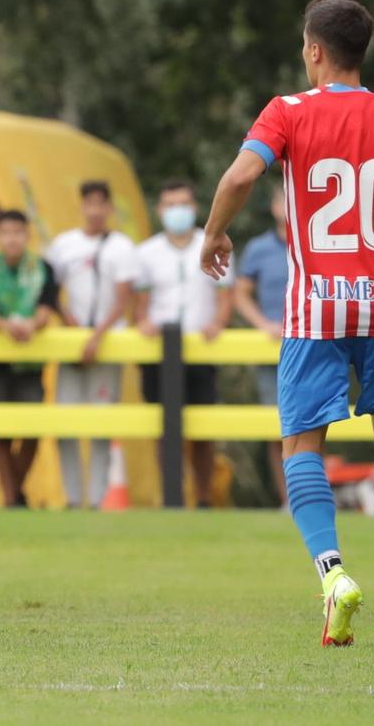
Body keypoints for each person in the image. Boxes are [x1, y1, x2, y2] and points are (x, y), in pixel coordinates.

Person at [201, 0, 374, 646]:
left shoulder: (287, 110)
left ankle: (334, 577)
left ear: (315, 50)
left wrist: (213, 236)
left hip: (317, 303)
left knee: (301, 445)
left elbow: (239, 178)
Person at [133, 180, 233, 509]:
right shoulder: (146, 252)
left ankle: (203, 497)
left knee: (203, 431)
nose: (177, 210)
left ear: (194, 208)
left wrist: (218, 322)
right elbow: (140, 301)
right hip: (160, 351)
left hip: (200, 350)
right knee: (164, 430)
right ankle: (171, 496)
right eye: (170, 204)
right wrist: (142, 322)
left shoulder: (213, 245)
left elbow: (225, 295)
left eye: (183, 203)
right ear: (160, 210)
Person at [45, 181, 136, 510]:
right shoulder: (63, 245)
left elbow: (123, 299)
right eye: (89, 204)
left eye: (101, 204)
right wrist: (74, 331)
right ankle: (71, 497)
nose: (95, 211)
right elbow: (51, 293)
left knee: (101, 423)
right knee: (65, 422)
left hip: (108, 343)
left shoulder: (122, 247)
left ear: (109, 208)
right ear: (81, 206)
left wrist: (96, 337)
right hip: (72, 342)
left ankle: (97, 498)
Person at [0, 210, 59, 508]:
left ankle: (15, 489)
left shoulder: (43, 268)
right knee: (2, 432)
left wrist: (30, 326)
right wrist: (10, 327)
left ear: (27, 235)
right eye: (6, 233)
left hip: (30, 363)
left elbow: (46, 310)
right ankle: (12, 497)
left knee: (33, 428)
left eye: (18, 232)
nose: (12, 239)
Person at [233, 185, 292, 504]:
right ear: (273, 206)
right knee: (277, 426)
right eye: (282, 198)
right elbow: (239, 293)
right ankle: (289, 500)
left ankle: (316, 496)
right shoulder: (258, 248)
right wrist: (262, 324)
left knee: (317, 424)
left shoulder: (321, 243)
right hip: (272, 350)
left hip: (315, 345)